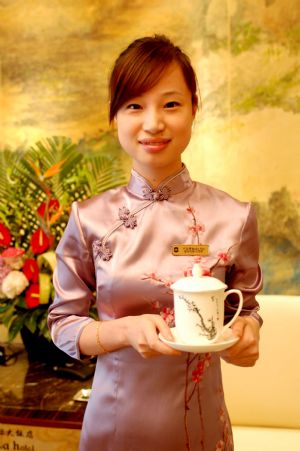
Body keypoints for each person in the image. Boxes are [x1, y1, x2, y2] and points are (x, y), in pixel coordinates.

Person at [48, 35, 263, 451]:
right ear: (115, 117)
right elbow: (64, 324)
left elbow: (248, 309)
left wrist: (247, 334)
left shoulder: (234, 217)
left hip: (200, 428)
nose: (152, 123)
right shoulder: (89, 219)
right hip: (115, 424)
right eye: (134, 105)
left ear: (194, 109)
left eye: (170, 104)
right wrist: (123, 331)